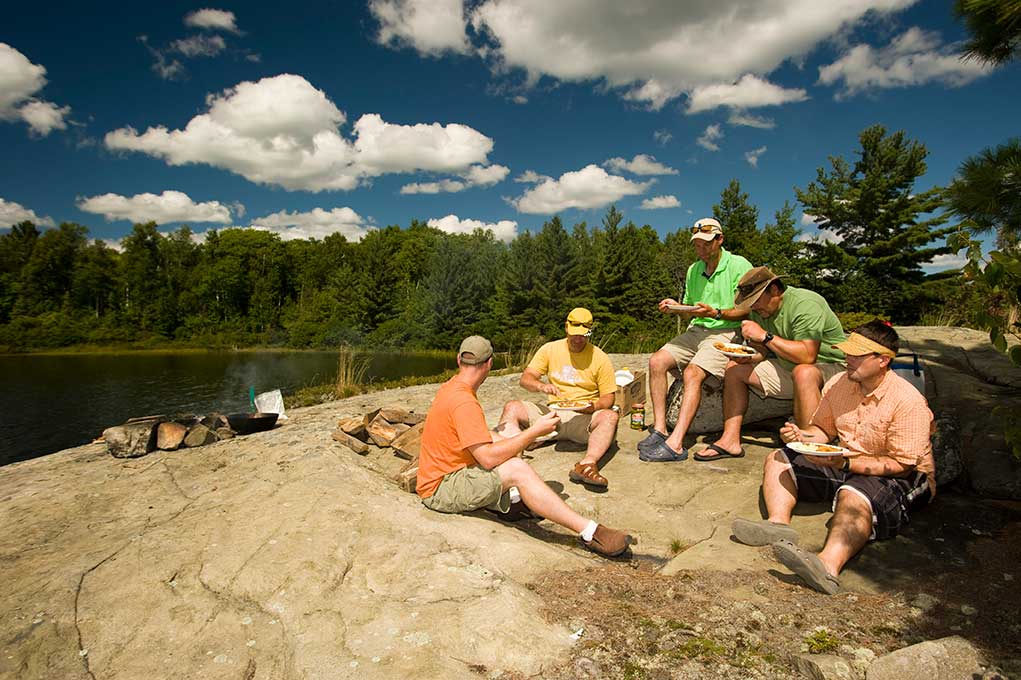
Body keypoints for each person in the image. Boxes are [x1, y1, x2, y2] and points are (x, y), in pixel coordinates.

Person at [730, 321, 935, 594]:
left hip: (901, 475)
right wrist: (802, 437)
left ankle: (827, 567)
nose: (846, 359)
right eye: (847, 352)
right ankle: (778, 525)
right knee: (780, 457)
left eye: (856, 355)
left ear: (883, 360)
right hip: (846, 459)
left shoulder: (907, 401)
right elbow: (823, 431)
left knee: (854, 493)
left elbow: (902, 465)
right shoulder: (840, 382)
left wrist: (847, 464)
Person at [416, 335, 634, 557]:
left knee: (507, 441)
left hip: (444, 475)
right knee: (516, 469)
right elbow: (487, 459)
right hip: (440, 489)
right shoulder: (464, 402)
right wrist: (533, 432)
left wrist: (511, 442)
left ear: (458, 360)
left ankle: (514, 502)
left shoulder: (452, 387)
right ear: (489, 363)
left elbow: (478, 435)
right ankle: (590, 532)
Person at [697, 266, 846, 462]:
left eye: (756, 300)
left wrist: (765, 336)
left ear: (774, 290)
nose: (754, 307)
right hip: (789, 367)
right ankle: (730, 441)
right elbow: (763, 350)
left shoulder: (805, 303)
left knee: (804, 373)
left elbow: (808, 355)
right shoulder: (760, 310)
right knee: (735, 369)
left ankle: (810, 450)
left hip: (834, 370)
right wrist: (747, 356)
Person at [638, 217, 753, 462]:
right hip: (697, 329)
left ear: (720, 240)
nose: (700, 249)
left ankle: (676, 444)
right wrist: (675, 306)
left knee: (692, 373)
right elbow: (692, 306)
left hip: (726, 330)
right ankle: (660, 428)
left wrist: (717, 312)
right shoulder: (693, 269)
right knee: (656, 361)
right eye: (697, 244)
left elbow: (749, 308)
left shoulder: (739, 265)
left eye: (705, 244)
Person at [498, 308, 620, 488]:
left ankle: (587, 465)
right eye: (574, 335)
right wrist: (541, 385)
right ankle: (512, 459)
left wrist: (593, 406)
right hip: (553, 413)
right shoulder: (550, 349)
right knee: (512, 407)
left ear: (589, 332)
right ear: (566, 328)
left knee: (610, 417)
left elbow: (608, 398)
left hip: (583, 418)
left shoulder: (600, 357)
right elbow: (526, 379)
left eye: (583, 335)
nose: (578, 339)